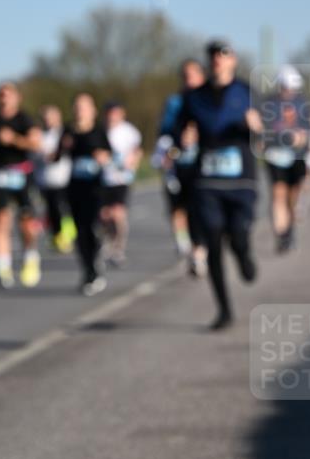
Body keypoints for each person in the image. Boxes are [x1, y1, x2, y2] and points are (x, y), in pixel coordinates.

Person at [178, 40, 262, 329]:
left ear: (233, 60)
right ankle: (224, 310)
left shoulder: (247, 92)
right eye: (213, 54)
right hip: (207, 180)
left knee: (237, 235)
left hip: (241, 179)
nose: (217, 58)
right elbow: (178, 130)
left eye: (223, 54)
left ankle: (243, 255)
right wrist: (183, 137)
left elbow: (266, 133)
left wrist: (256, 128)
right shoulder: (194, 97)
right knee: (213, 242)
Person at [0, 83, 42, 288]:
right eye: (1, 95)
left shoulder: (25, 119)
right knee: (1, 219)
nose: (4, 99)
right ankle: (2, 266)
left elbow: (36, 144)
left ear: (17, 98)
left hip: (22, 172)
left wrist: (14, 139)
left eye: (8, 95)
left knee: (26, 221)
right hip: (1, 172)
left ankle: (30, 256)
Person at [152, 58, 207, 275]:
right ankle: (185, 245)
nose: (188, 79)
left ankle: (198, 253)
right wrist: (173, 146)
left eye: (192, 75)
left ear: (201, 76)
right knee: (177, 207)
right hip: (178, 165)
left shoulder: (209, 100)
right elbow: (164, 132)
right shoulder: (175, 102)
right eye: (185, 76)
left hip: (202, 165)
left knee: (199, 210)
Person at [58, 92, 111, 296]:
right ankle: (88, 270)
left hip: (95, 187)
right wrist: (62, 148)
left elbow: (108, 155)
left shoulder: (98, 130)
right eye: (77, 107)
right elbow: (56, 157)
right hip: (75, 187)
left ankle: (95, 263)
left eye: (83, 107)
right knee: (79, 231)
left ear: (92, 110)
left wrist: (101, 157)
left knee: (93, 227)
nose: (79, 111)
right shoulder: (68, 131)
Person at [260, 65, 310, 253]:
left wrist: (301, 138)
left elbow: (308, 130)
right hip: (275, 156)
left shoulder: (302, 104)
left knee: (292, 196)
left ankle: (290, 229)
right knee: (278, 194)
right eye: (287, 86)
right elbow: (263, 131)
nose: (290, 90)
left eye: (293, 87)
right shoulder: (269, 104)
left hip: (297, 157)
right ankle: (281, 235)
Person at [100, 101, 143, 266]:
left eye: (115, 113)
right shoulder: (101, 130)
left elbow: (137, 151)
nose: (112, 117)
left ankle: (119, 248)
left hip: (122, 179)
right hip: (104, 178)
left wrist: (133, 163)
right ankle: (109, 241)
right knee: (105, 215)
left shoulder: (129, 132)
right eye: (110, 113)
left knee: (118, 213)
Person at [34, 104, 75, 253]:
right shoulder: (39, 134)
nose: (48, 120)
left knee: (63, 210)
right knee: (50, 211)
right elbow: (35, 153)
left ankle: (67, 235)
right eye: (45, 117)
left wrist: (56, 153)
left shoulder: (65, 133)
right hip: (45, 180)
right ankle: (57, 236)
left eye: (51, 117)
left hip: (62, 178)